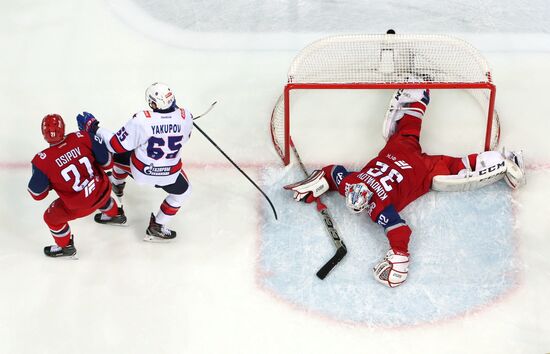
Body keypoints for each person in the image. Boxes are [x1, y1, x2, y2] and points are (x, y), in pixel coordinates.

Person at [284, 88, 526, 288]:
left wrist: (399, 259)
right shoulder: (352, 185)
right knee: (409, 133)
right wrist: (320, 182)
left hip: (421, 169)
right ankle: (417, 92)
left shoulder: (373, 204)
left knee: (455, 170)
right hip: (400, 154)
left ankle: (505, 163)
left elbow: (401, 231)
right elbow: (334, 172)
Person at [76, 82, 193, 242]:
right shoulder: (186, 117)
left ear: (153, 103)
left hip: (143, 172)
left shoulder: (142, 120)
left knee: (116, 154)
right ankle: (157, 226)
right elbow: (184, 138)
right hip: (169, 175)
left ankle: (117, 184)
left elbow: (115, 145)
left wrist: (94, 128)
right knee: (184, 192)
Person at [28, 114, 126, 258]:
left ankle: (65, 247)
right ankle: (115, 214)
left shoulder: (41, 161)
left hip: (80, 205)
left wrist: (50, 180)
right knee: (98, 191)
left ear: (43, 134)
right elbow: (107, 163)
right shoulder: (82, 137)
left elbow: (37, 194)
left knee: (51, 218)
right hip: (102, 189)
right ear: (64, 128)